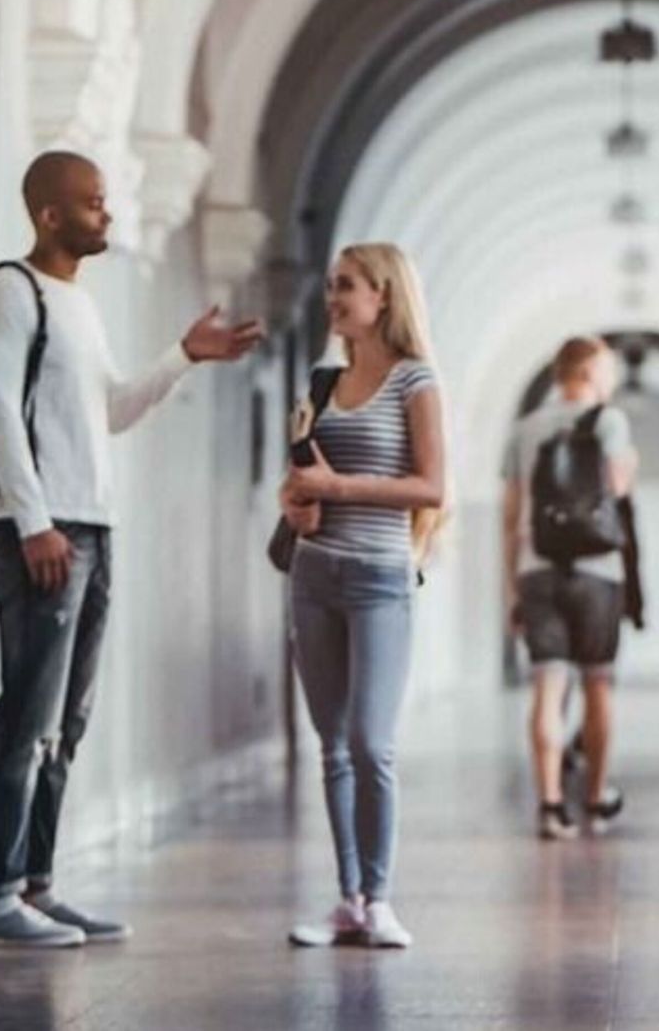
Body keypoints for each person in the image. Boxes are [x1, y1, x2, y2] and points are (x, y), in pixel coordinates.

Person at [0, 151, 263, 948]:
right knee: (26, 714)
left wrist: (183, 357)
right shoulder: (10, 292)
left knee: (69, 719)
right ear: (49, 215)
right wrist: (32, 523)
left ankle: (36, 883)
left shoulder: (80, 308)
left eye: (106, 201)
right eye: (93, 204)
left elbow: (115, 411)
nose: (108, 214)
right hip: (43, 530)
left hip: (93, 527)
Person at [279, 243, 446, 950]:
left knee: (370, 743)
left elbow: (433, 488)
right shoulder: (319, 383)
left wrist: (339, 489)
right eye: (329, 285)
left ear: (384, 296)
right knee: (332, 747)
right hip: (313, 575)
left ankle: (379, 898)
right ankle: (346, 898)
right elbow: (296, 483)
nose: (333, 298)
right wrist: (298, 506)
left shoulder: (416, 382)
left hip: (381, 577)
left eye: (346, 285)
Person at [502, 337, 637, 840]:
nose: (612, 381)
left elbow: (511, 513)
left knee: (547, 687)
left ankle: (551, 805)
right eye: (607, 371)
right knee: (598, 684)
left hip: (537, 567)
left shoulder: (525, 429)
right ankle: (597, 799)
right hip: (598, 570)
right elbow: (619, 487)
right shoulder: (609, 421)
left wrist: (511, 587)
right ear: (587, 371)